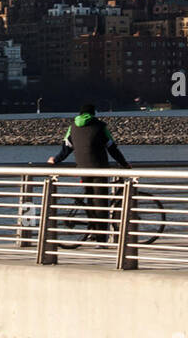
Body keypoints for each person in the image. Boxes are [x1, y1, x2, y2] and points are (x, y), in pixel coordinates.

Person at [47, 103, 130, 242]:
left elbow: (66, 149)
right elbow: (112, 148)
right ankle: (101, 238)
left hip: (82, 168)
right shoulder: (100, 126)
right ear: (93, 113)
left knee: (90, 199)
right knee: (101, 201)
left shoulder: (72, 127)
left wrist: (55, 160)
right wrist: (124, 164)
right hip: (99, 169)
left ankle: (92, 230)